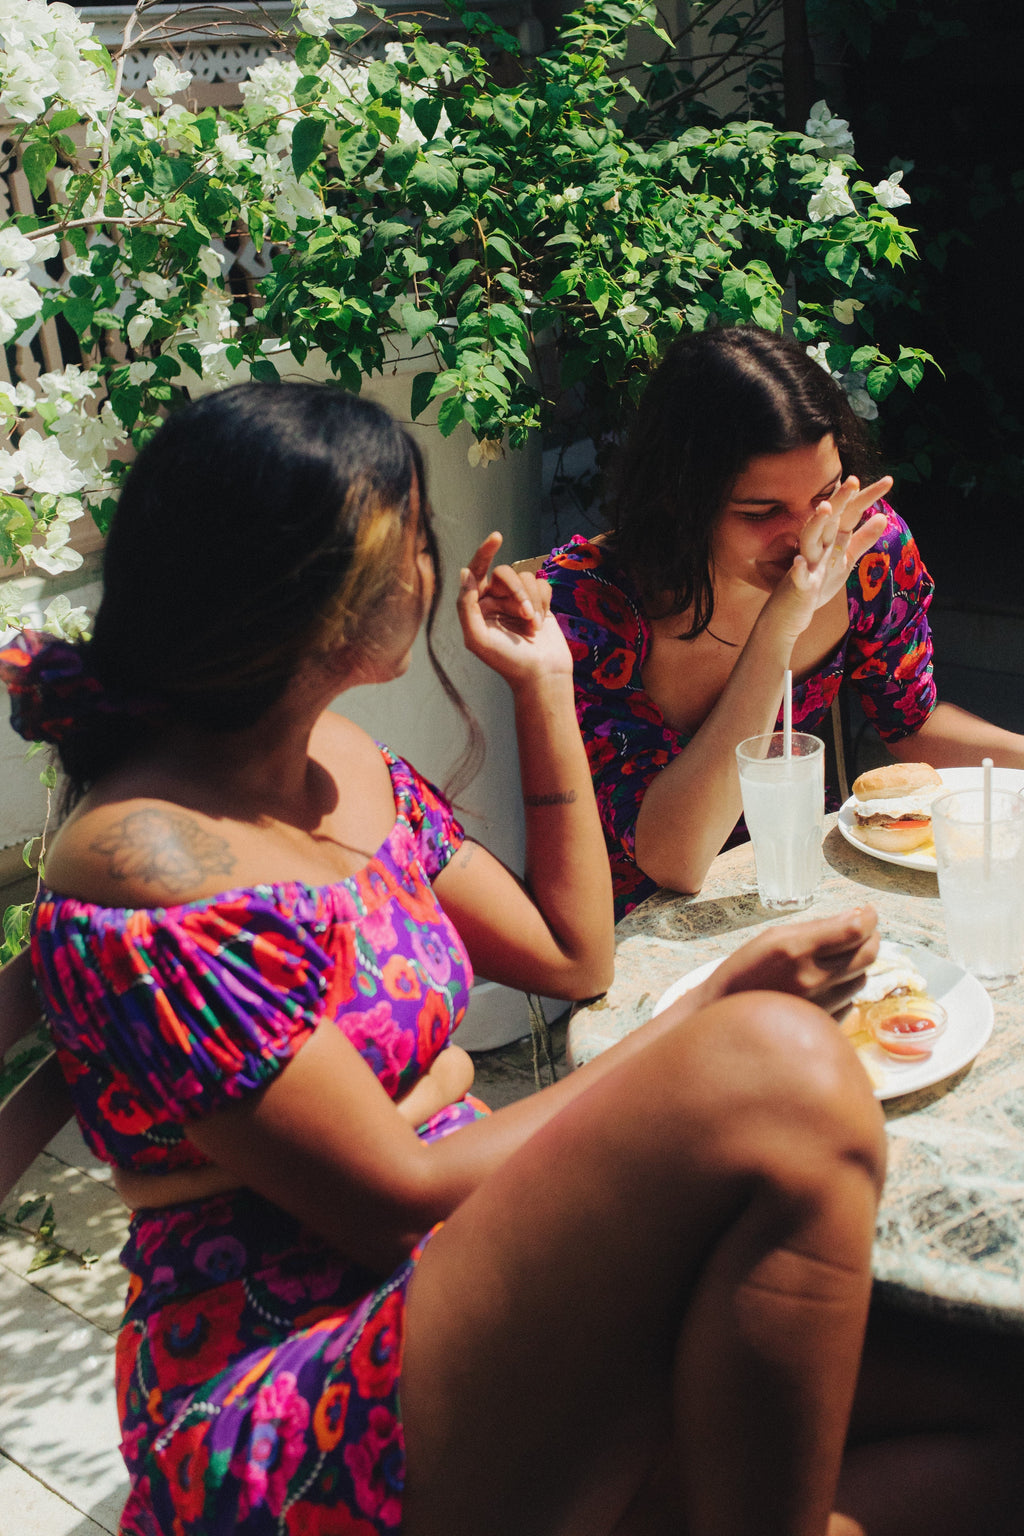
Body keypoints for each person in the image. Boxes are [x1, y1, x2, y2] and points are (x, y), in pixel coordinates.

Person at [0, 381, 1009, 1536]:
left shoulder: (339, 762)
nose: (424, 572)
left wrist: (545, 688)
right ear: (287, 589)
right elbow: (390, 1202)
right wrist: (695, 1030)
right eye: (401, 541)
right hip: (288, 1388)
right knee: (776, 1068)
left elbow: (572, 958)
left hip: (474, 1283)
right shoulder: (148, 863)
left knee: (991, 1417)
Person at [543, 324, 1024, 918]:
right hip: (641, 931)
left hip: (803, 891)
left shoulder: (863, 548)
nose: (808, 538)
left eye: (825, 495)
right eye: (763, 510)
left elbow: (912, 723)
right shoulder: (592, 606)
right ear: (678, 498)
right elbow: (677, 859)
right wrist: (780, 628)